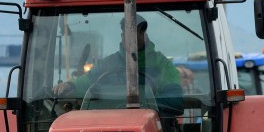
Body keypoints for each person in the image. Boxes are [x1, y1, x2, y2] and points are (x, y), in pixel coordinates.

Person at [52, 14, 183, 117]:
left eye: (138, 32)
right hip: (108, 124)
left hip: (153, 125)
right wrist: (71, 85)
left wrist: (139, 102)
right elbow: (87, 81)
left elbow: (175, 101)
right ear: (122, 36)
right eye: (129, 33)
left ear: (145, 35)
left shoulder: (162, 64)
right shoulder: (108, 63)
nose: (133, 37)